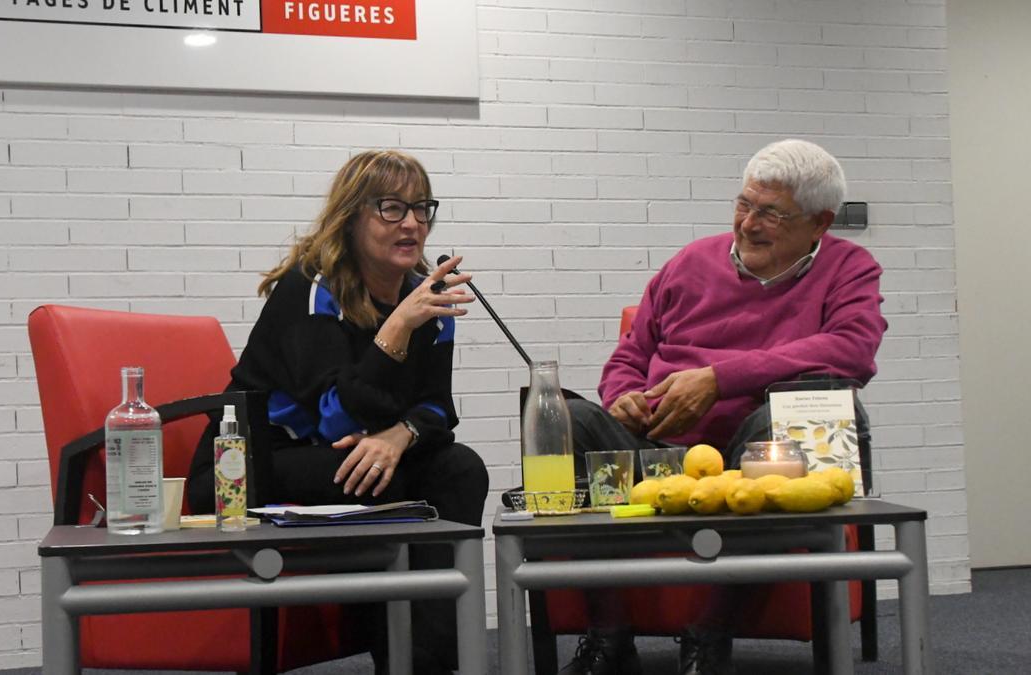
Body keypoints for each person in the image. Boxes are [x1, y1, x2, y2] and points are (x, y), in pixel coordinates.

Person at [561, 139, 887, 675]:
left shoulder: (849, 268)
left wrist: (719, 380)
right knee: (567, 419)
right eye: (744, 204)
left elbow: (853, 349)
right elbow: (631, 354)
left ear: (819, 223)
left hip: (749, 459)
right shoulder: (690, 262)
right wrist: (623, 397)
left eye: (771, 214)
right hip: (655, 449)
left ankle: (709, 635)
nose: (749, 224)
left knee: (785, 421)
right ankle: (609, 636)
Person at [187, 150, 489, 675]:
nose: (413, 223)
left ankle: (435, 662)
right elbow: (335, 418)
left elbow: (438, 409)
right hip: (251, 464)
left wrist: (399, 437)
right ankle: (398, 657)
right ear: (352, 217)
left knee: (461, 468)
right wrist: (395, 329)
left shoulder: (428, 299)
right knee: (375, 478)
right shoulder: (310, 288)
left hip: (350, 455)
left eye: (422, 209)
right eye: (392, 208)